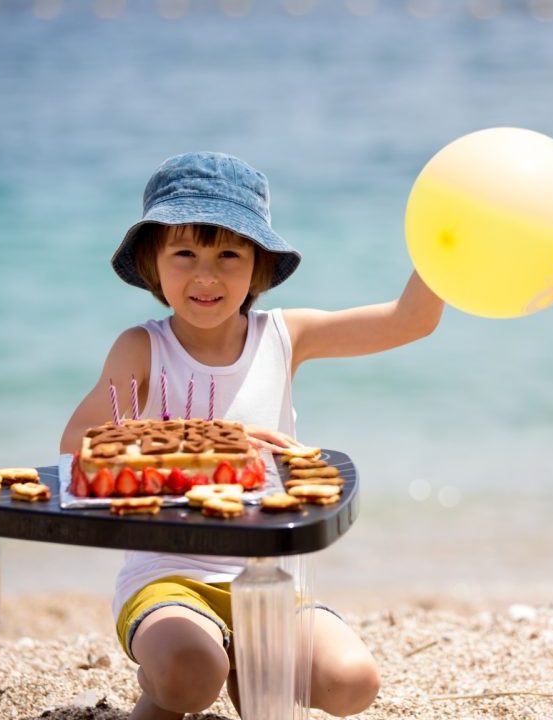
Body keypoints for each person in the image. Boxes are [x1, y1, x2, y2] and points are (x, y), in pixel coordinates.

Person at [60, 151, 443, 720]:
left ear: (259, 265)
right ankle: (175, 682)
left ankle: (244, 667)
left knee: (352, 682)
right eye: (184, 252)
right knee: (191, 675)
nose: (206, 275)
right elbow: (77, 445)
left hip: (270, 582)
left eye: (229, 254)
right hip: (169, 579)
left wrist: (447, 243)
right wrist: (221, 441)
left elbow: (408, 320)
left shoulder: (286, 337)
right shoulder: (142, 348)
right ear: (152, 262)